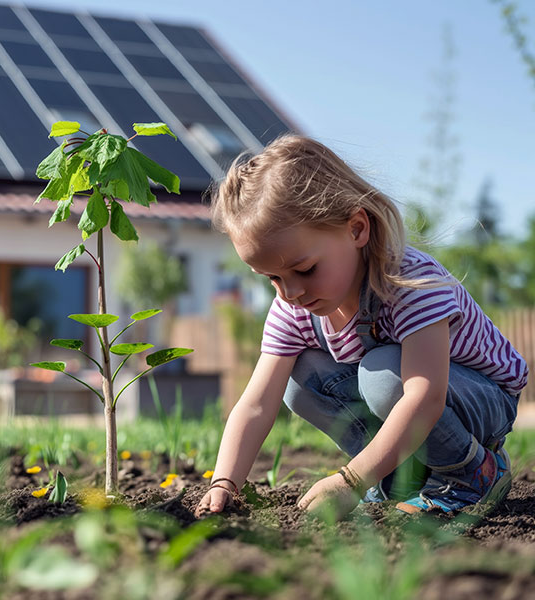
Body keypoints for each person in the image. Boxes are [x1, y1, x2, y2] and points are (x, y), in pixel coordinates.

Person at [195, 134, 527, 519]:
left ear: (356, 229)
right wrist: (224, 483)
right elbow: (255, 404)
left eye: (305, 270)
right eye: (272, 278)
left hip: (482, 400)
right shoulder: (294, 308)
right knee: (298, 382)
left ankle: (473, 473)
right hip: (413, 400)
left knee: (381, 376)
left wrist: (351, 479)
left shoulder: (409, 283)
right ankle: (400, 477)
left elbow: (425, 397)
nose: (291, 292)